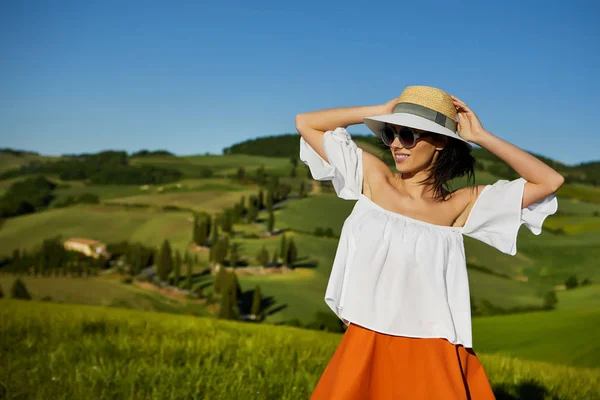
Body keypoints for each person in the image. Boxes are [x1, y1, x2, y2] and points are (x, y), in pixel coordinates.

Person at [296, 85, 563, 399]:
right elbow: (306, 122)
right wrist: (382, 109)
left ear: (438, 142)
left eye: (407, 135)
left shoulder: (459, 205)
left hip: (433, 348)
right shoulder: (372, 178)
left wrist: (480, 136)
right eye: (390, 134)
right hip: (366, 340)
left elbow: (549, 181)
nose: (396, 144)